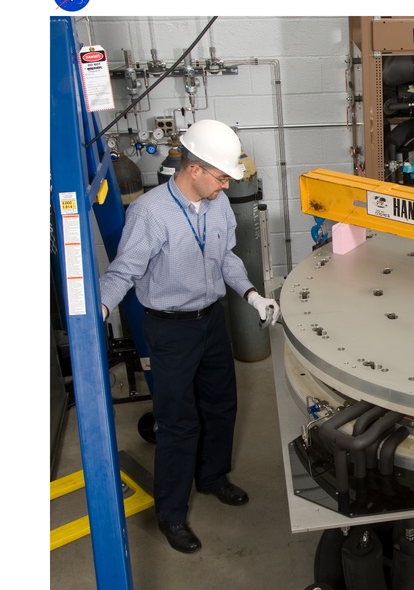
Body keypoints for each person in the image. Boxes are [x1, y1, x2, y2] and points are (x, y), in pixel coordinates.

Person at [100, 119, 280, 554]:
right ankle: (172, 513)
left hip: (211, 321)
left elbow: (227, 260)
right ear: (195, 169)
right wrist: (99, 310)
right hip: (170, 328)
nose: (224, 186)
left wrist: (252, 294)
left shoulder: (217, 205)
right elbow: (124, 271)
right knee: (179, 422)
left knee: (221, 406)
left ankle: (214, 478)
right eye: (220, 177)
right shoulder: (149, 213)